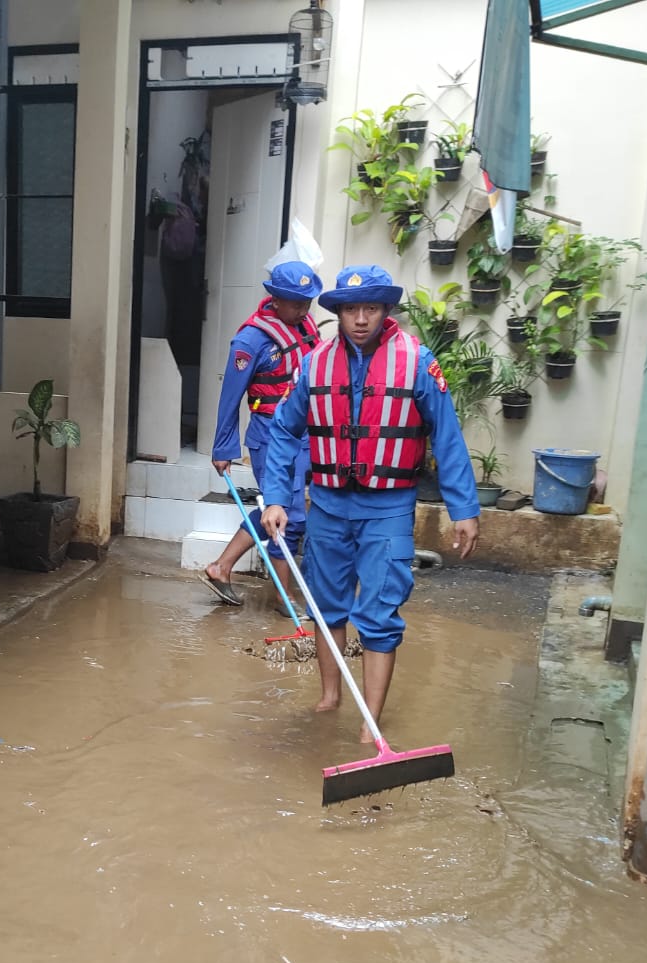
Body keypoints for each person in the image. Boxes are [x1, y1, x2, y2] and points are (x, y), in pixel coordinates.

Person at [261, 265, 480, 739]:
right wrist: (277, 497)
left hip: (389, 507)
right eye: (352, 309)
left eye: (372, 308)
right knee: (325, 604)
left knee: (379, 612)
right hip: (328, 505)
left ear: (385, 311)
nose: (361, 318)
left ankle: (369, 719)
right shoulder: (316, 363)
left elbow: (447, 436)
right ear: (339, 312)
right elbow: (283, 431)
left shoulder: (418, 362)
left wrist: (464, 510)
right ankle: (329, 697)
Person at [199, 260, 323, 608]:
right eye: (295, 302)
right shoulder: (250, 341)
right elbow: (230, 396)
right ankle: (285, 599)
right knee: (291, 517)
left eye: (306, 302)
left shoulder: (306, 326)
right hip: (270, 436)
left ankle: (221, 567)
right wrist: (223, 447)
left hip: (306, 435)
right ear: (276, 299)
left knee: (277, 507)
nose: (302, 309)